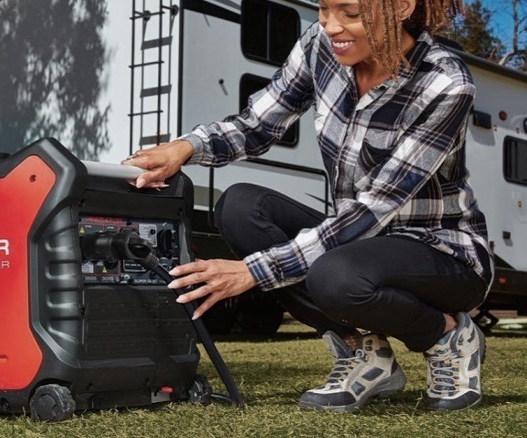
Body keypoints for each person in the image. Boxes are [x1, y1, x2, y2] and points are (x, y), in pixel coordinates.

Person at [121, 0, 493, 412]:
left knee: (335, 276)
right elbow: (257, 126)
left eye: (350, 13)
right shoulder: (321, 46)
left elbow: (375, 206)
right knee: (241, 207)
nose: (332, 27)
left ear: (402, 6)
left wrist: (253, 271)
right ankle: (361, 350)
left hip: (441, 253)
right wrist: (185, 147)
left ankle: (446, 336)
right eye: (324, 9)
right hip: (357, 243)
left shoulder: (445, 83)